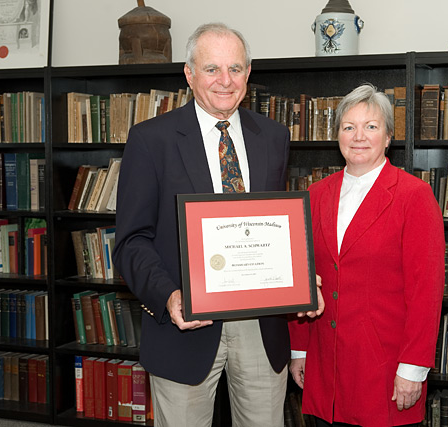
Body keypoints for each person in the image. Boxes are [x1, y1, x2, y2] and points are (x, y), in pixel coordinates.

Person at [113, 22, 321, 427]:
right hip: (185, 325)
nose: (225, 81)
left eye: (236, 69)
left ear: (248, 74)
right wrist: (169, 296)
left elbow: (277, 227)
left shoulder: (274, 136)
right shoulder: (149, 140)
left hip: (261, 327)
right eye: (212, 69)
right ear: (189, 74)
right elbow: (132, 241)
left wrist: (299, 276)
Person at [288, 84, 445, 427]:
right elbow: (300, 276)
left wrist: (413, 370)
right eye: (349, 127)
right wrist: (299, 350)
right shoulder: (314, 195)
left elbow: (427, 292)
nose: (359, 136)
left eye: (371, 127)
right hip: (324, 367)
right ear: (338, 136)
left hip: (383, 370)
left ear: (388, 136)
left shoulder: (414, 197)